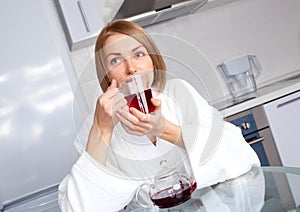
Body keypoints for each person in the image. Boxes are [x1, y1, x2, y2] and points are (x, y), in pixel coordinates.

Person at [58, 19, 260, 211]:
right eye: (116, 60)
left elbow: (241, 157)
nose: (131, 69)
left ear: (153, 62)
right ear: (106, 75)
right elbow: (77, 208)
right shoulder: (95, 125)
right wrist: (102, 130)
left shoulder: (181, 94)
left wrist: (164, 129)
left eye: (138, 55)